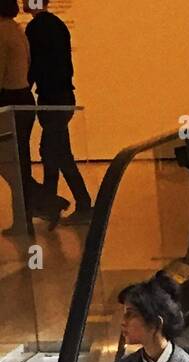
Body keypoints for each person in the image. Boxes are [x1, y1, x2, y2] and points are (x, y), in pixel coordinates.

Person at [24, 0, 91, 225]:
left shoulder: (35, 28)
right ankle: (56, 204)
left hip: (52, 99)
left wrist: (22, 88)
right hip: (62, 97)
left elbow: (35, 66)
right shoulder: (57, 24)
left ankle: (73, 204)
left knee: (55, 153)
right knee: (55, 153)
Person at [0, 0, 60, 232]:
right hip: (23, 99)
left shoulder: (3, 31)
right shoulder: (16, 29)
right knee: (17, 162)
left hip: (9, 100)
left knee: (10, 163)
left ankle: (40, 205)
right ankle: (31, 213)